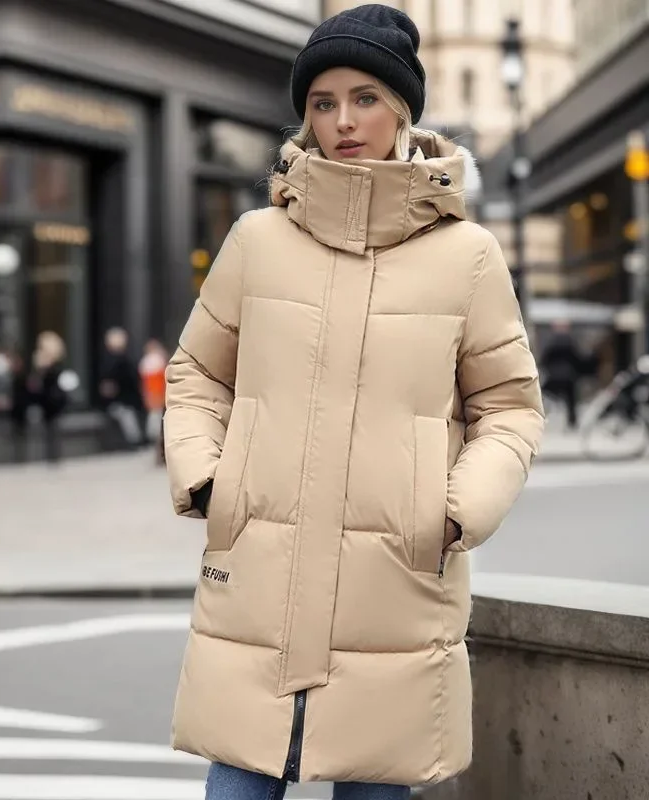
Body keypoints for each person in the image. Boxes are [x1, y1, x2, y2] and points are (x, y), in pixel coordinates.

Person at [163, 6, 544, 799]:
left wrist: (450, 512)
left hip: (397, 582)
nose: (343, 120)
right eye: (323, 102)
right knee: (237, 780)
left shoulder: (467, 257)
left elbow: (508, 406)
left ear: (404, 111)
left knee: (374, 787)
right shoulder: (255, 240)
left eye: (366, 97)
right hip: (259, 575)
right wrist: (208, 479)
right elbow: (198, 373)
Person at [100, 327, 148, 448]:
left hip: (128, 400)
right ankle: (134, 441)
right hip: (119, 402)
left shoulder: (123, 360)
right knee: (127, 415)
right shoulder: (112, 361)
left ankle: (136, 439)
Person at [29, 331, 69, 463]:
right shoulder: (43, 365)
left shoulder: (54, 367)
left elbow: (53, 383)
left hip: (53, 402)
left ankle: (53, 456)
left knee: (53, 429)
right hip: (45, 402)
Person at [540, 319, 585, 430]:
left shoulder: (551, 342)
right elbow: (577, 359)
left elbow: (545, 360)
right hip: (569, 376)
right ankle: (572, 421)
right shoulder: (571, 342)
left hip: (553, 377)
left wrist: (550, 370)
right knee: (571, 400)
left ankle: (540, 418)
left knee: (544, 396)